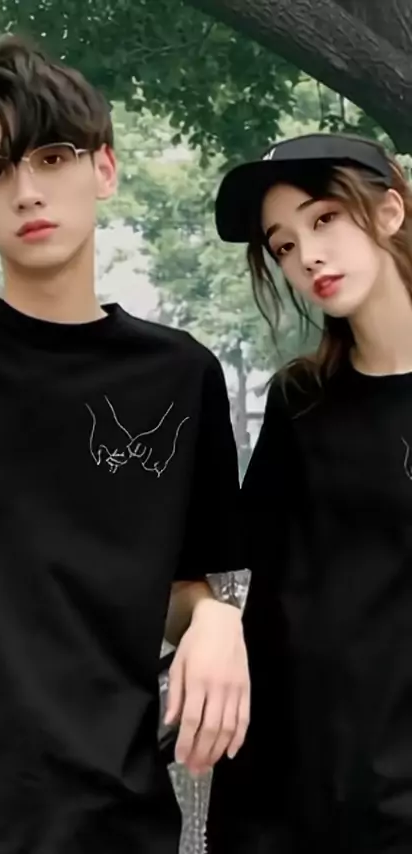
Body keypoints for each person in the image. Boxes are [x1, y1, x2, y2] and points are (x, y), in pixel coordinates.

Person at [0, 36, 250, 854]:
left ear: (103, 168)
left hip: (115, 814)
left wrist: (215, 617)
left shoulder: (180, 375)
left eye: (52, 157)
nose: (27, 191)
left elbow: (182, 587)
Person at [207, 132, 412, 854]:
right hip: (298, 799)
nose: (308, 257)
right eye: (285, 246)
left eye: (324, 219)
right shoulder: (300, 403)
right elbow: (256, 594)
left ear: (389, 211)